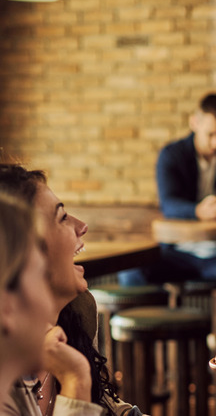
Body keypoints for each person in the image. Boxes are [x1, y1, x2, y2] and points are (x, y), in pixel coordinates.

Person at [0, 164, 142, 416]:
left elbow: (107, 406)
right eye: (62, 217)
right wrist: (75, 381)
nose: (82, 226)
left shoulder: (75, 313)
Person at [118, 92, 216, 292]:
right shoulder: (171, 154)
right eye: (210, 135)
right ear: (194, 123)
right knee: (130, 274)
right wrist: (198, 211)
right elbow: (169, 204)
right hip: (178, 253)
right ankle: (166, 321)